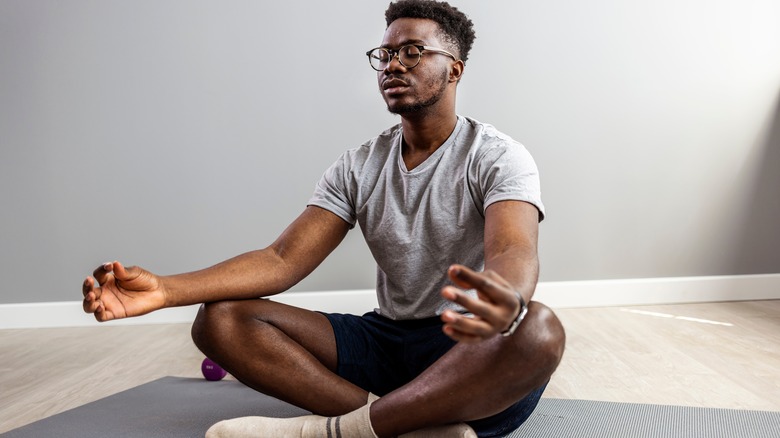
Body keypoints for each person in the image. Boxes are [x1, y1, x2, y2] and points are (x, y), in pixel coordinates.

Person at [82, 1, 565, 436]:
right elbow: (282, 259)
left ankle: (340, 431)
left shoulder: (499, 156)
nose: (393, 64)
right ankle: (399, 425)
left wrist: (509, 300)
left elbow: (513, 249)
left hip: (463, 346)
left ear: (455, 69)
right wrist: (166, 290)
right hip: (387, 340)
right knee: (219, 320)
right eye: (386, 54)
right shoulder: (358, 164)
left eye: (414, 51)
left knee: (540, 330)